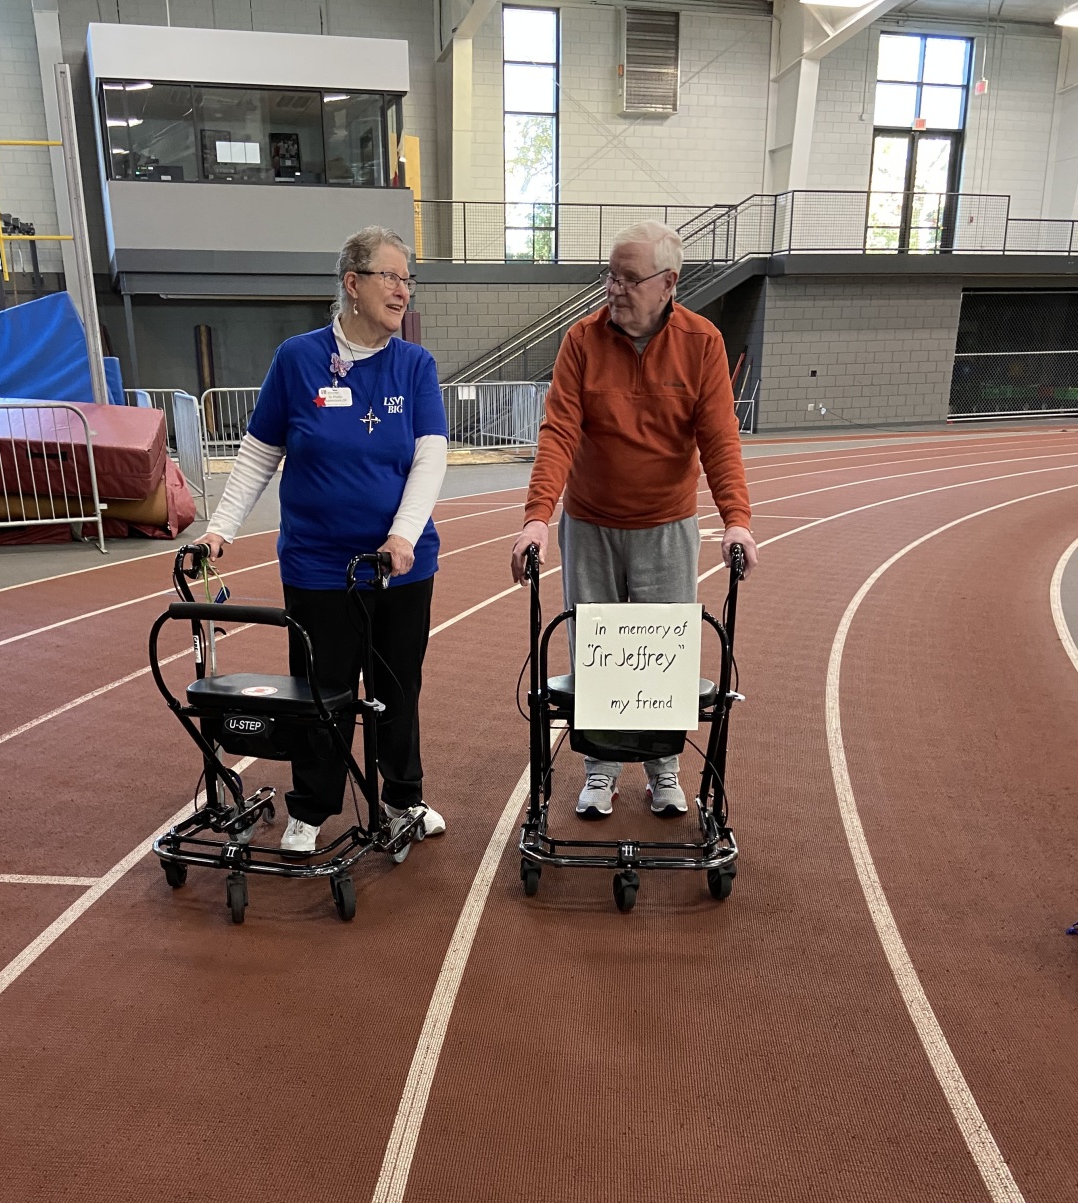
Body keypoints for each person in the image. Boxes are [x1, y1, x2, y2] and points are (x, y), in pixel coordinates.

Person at [197, 225, 449, 854]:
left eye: (407, 279)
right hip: (317, 565)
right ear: (352, 283)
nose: (402, 290)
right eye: (390, 276)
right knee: (320, 689)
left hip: (399, 568)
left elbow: (430, 458)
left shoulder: (415, 364)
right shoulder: (297, 358)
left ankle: (401, 800)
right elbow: (258, 454)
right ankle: (311, 807)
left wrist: (402, 536)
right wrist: (221, 527)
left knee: (396, 689)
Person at [511, 219, 758, 820]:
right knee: (595, 649)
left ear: (668, 282)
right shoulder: (581, 341)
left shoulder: (702, 344)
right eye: (609, 276)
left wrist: (737, 520)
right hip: (590, 524)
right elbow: (559, 431)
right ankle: (599, 771)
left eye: (627, 278)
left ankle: (663, 769)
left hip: (667, 527)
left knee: (662, 653)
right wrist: (537, 517)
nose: (613, 289)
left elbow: (719, 439)